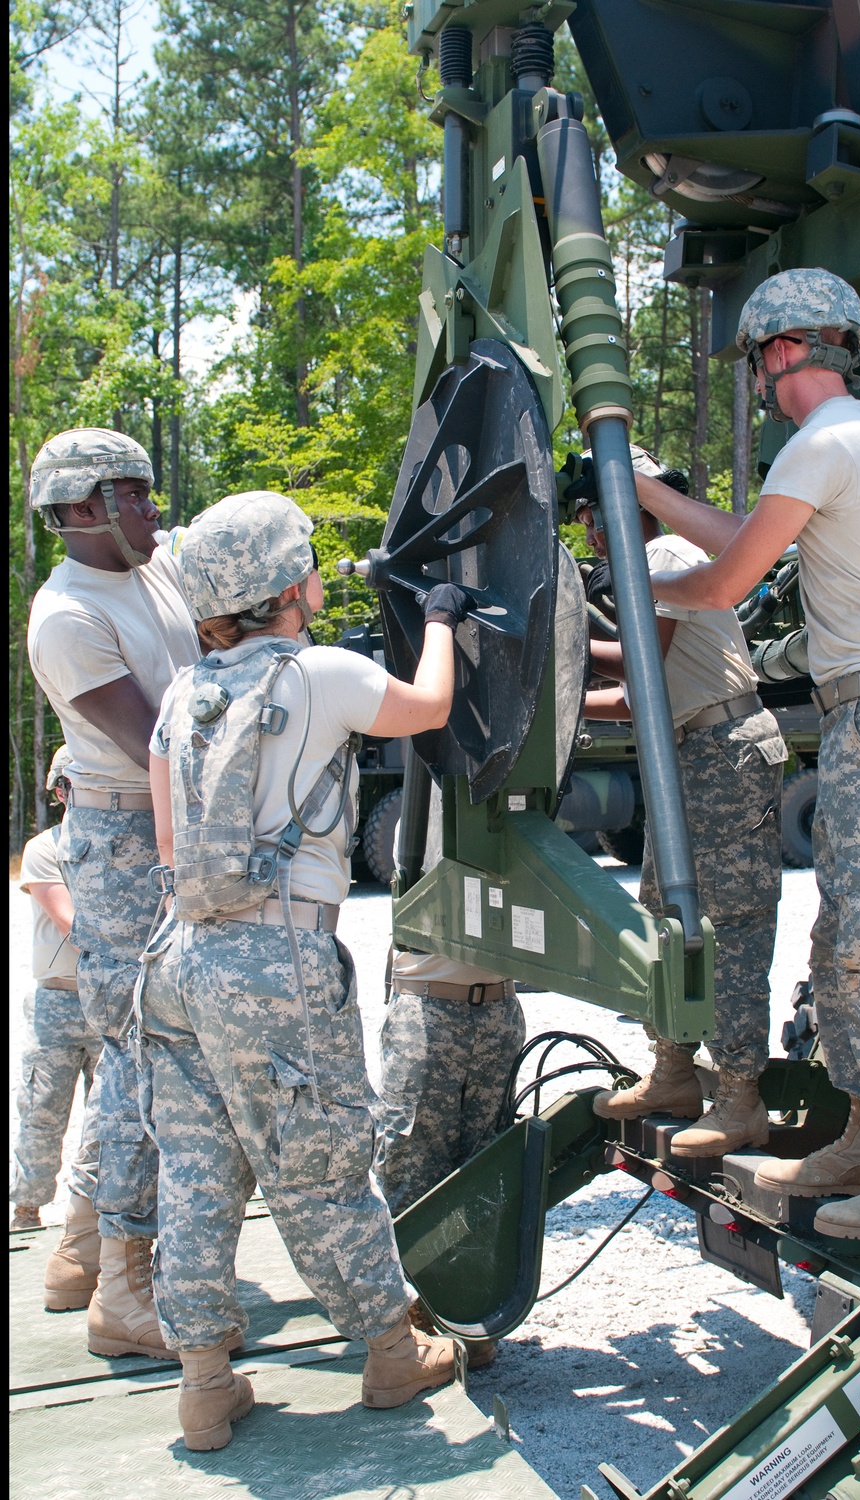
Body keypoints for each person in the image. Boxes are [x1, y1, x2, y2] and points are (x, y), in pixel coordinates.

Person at [630, 268, 860, 1238]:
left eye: (758, 360)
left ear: (783, 350)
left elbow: (726, 579)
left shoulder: (826, 439)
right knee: (846, 942)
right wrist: (644, 493)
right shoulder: (848, 440)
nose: (759, 380)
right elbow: (751, 535)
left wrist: (635, 579)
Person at [139, 490, 471, 1451]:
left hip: (181, 959)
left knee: (198, 1170)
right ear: (288, 587)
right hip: (275, 961)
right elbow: (430, 707)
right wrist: (440, 619)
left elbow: (171, 845)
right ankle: (390, 1351)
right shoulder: (320, 673)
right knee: (321, 1160)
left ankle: (205, 1384)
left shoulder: (183, 693)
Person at [26, 428, 201, 1351]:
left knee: (136, 1046)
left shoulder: (150, 564)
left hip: (159, 822)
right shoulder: (67, 616)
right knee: (143, 1050)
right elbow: (156, 745)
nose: (151, 507)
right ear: (80, 510)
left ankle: (82, 1254)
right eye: (131, 494)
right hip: (126, 834)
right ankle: (126, 1297)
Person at [567, 456, 786, 1155]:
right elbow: (639, 691)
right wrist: (567, 679)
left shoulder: (664, 555)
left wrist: (566, 655)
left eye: (597, 517)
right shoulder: (648, 568)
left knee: (730, 923)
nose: (592, 534)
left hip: (723, 747)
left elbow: (640, 672)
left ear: (635, 508)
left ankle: (740, 1097)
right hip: (687, 751)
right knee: (666, 915)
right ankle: (673, 1072)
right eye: (585, 522)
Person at [376, 784, 526, 1368]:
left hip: (498, 1009)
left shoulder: (520, 800)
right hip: (429, 1007)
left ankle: (469, 1310)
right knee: (413, 1164)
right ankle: (407, 1319)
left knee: (484, 1166)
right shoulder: (437, 793)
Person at [11, 747, 103, 1265]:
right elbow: (72, 922)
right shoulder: (44, 849)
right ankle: (27, 1209)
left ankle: (93, 1216)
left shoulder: (112, 847)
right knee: (42, 1110)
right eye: (69, 784)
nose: (77, 792)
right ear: (59, 791)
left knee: (110, 1119)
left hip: (106, 999)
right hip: (60, 1001)